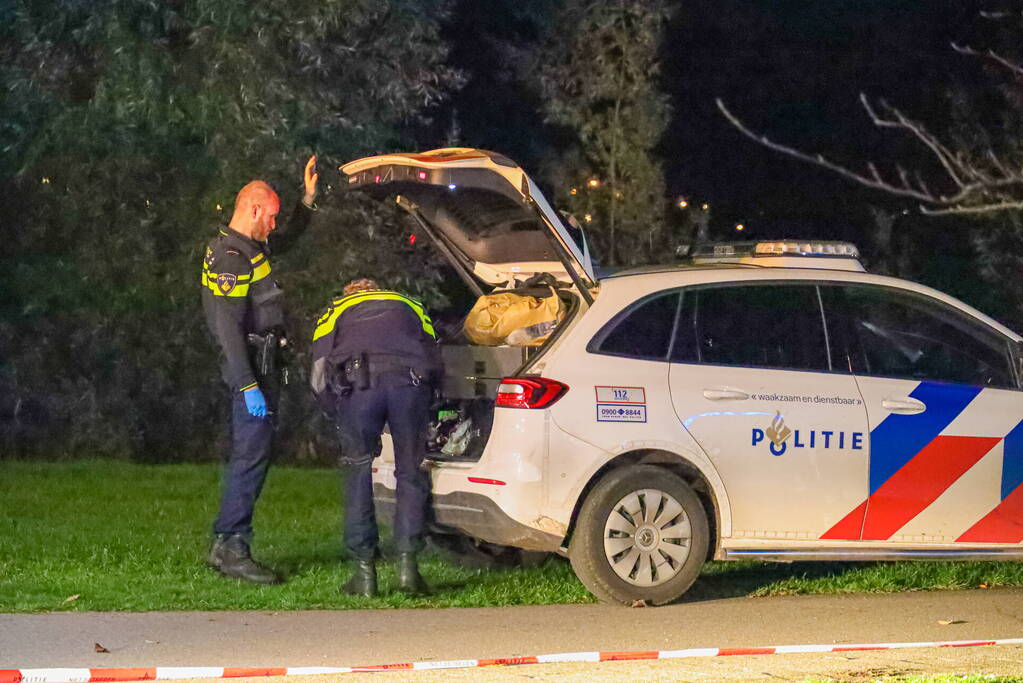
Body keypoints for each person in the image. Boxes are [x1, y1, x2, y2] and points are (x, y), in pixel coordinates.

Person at [200, 156, 319, 584]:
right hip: (251, 370)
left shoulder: (247, 247)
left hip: (262, 366)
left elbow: (283, 241)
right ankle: (230, 545)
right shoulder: (231, 258)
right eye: (270, 216)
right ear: (253, 210)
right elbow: (227, 329)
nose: (274, 224)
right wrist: (247, 385)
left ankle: (230, 541)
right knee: (250, 456)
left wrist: (308, 200)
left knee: (255, 455)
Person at [310, 278, 442, 597]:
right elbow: (435, 355)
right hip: (410, 386)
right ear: (378, 290)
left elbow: (318, 373)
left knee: (358, 472)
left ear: (350, 293)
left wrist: (335, 410)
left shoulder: (336, 308)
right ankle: (408, 571)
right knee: (410, 473)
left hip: (360, 391)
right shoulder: (411, 305)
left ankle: (364, 573)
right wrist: (433, 399)